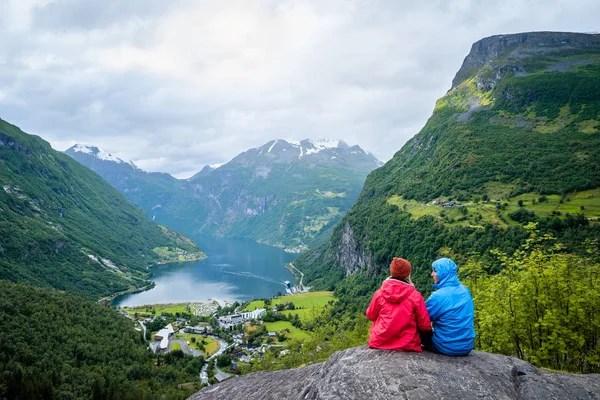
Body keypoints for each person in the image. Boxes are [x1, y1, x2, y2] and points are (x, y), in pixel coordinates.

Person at [366, 257, 432, 352]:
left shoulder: (379, 293)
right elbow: (425, 326)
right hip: (407, 344)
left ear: (392, 272)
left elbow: (371, 315)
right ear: (408, 274)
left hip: (380, 342)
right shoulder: (415, 296)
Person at [423, 257, 475, 356]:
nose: (432, 274)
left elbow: (423, 318)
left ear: (443, 273)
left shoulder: (438, 296)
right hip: (467, 346)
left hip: (445, 346)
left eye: (435, 271)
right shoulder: (465, 290)